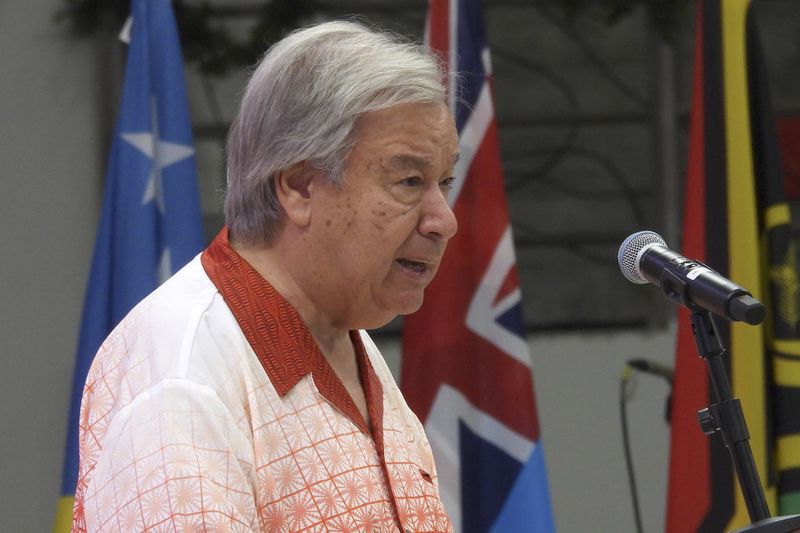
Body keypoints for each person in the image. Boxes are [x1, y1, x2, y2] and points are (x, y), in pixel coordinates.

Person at [72, 20, 458, 532]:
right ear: (299, 187)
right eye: (409, 181)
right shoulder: (183, 382)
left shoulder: (345, 332)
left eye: (444, 181)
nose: (444, 221)